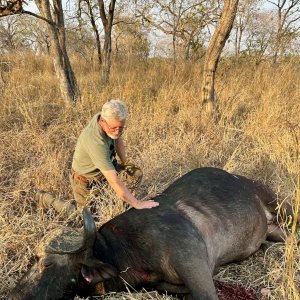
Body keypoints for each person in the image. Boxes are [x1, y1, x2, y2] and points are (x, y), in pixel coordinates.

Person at [70, 99, 159, 211]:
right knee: (88, 218)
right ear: (102, 121)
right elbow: (113, 179)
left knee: (134, 174)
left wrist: (125, 163)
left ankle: (121, 201)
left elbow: (117, 139)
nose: (117, 132)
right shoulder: (95, 142)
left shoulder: (108, 119)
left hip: (104, 172)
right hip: (86, 181)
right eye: (113, 128)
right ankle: (44, 199)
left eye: (120, 128)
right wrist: (137, 203)